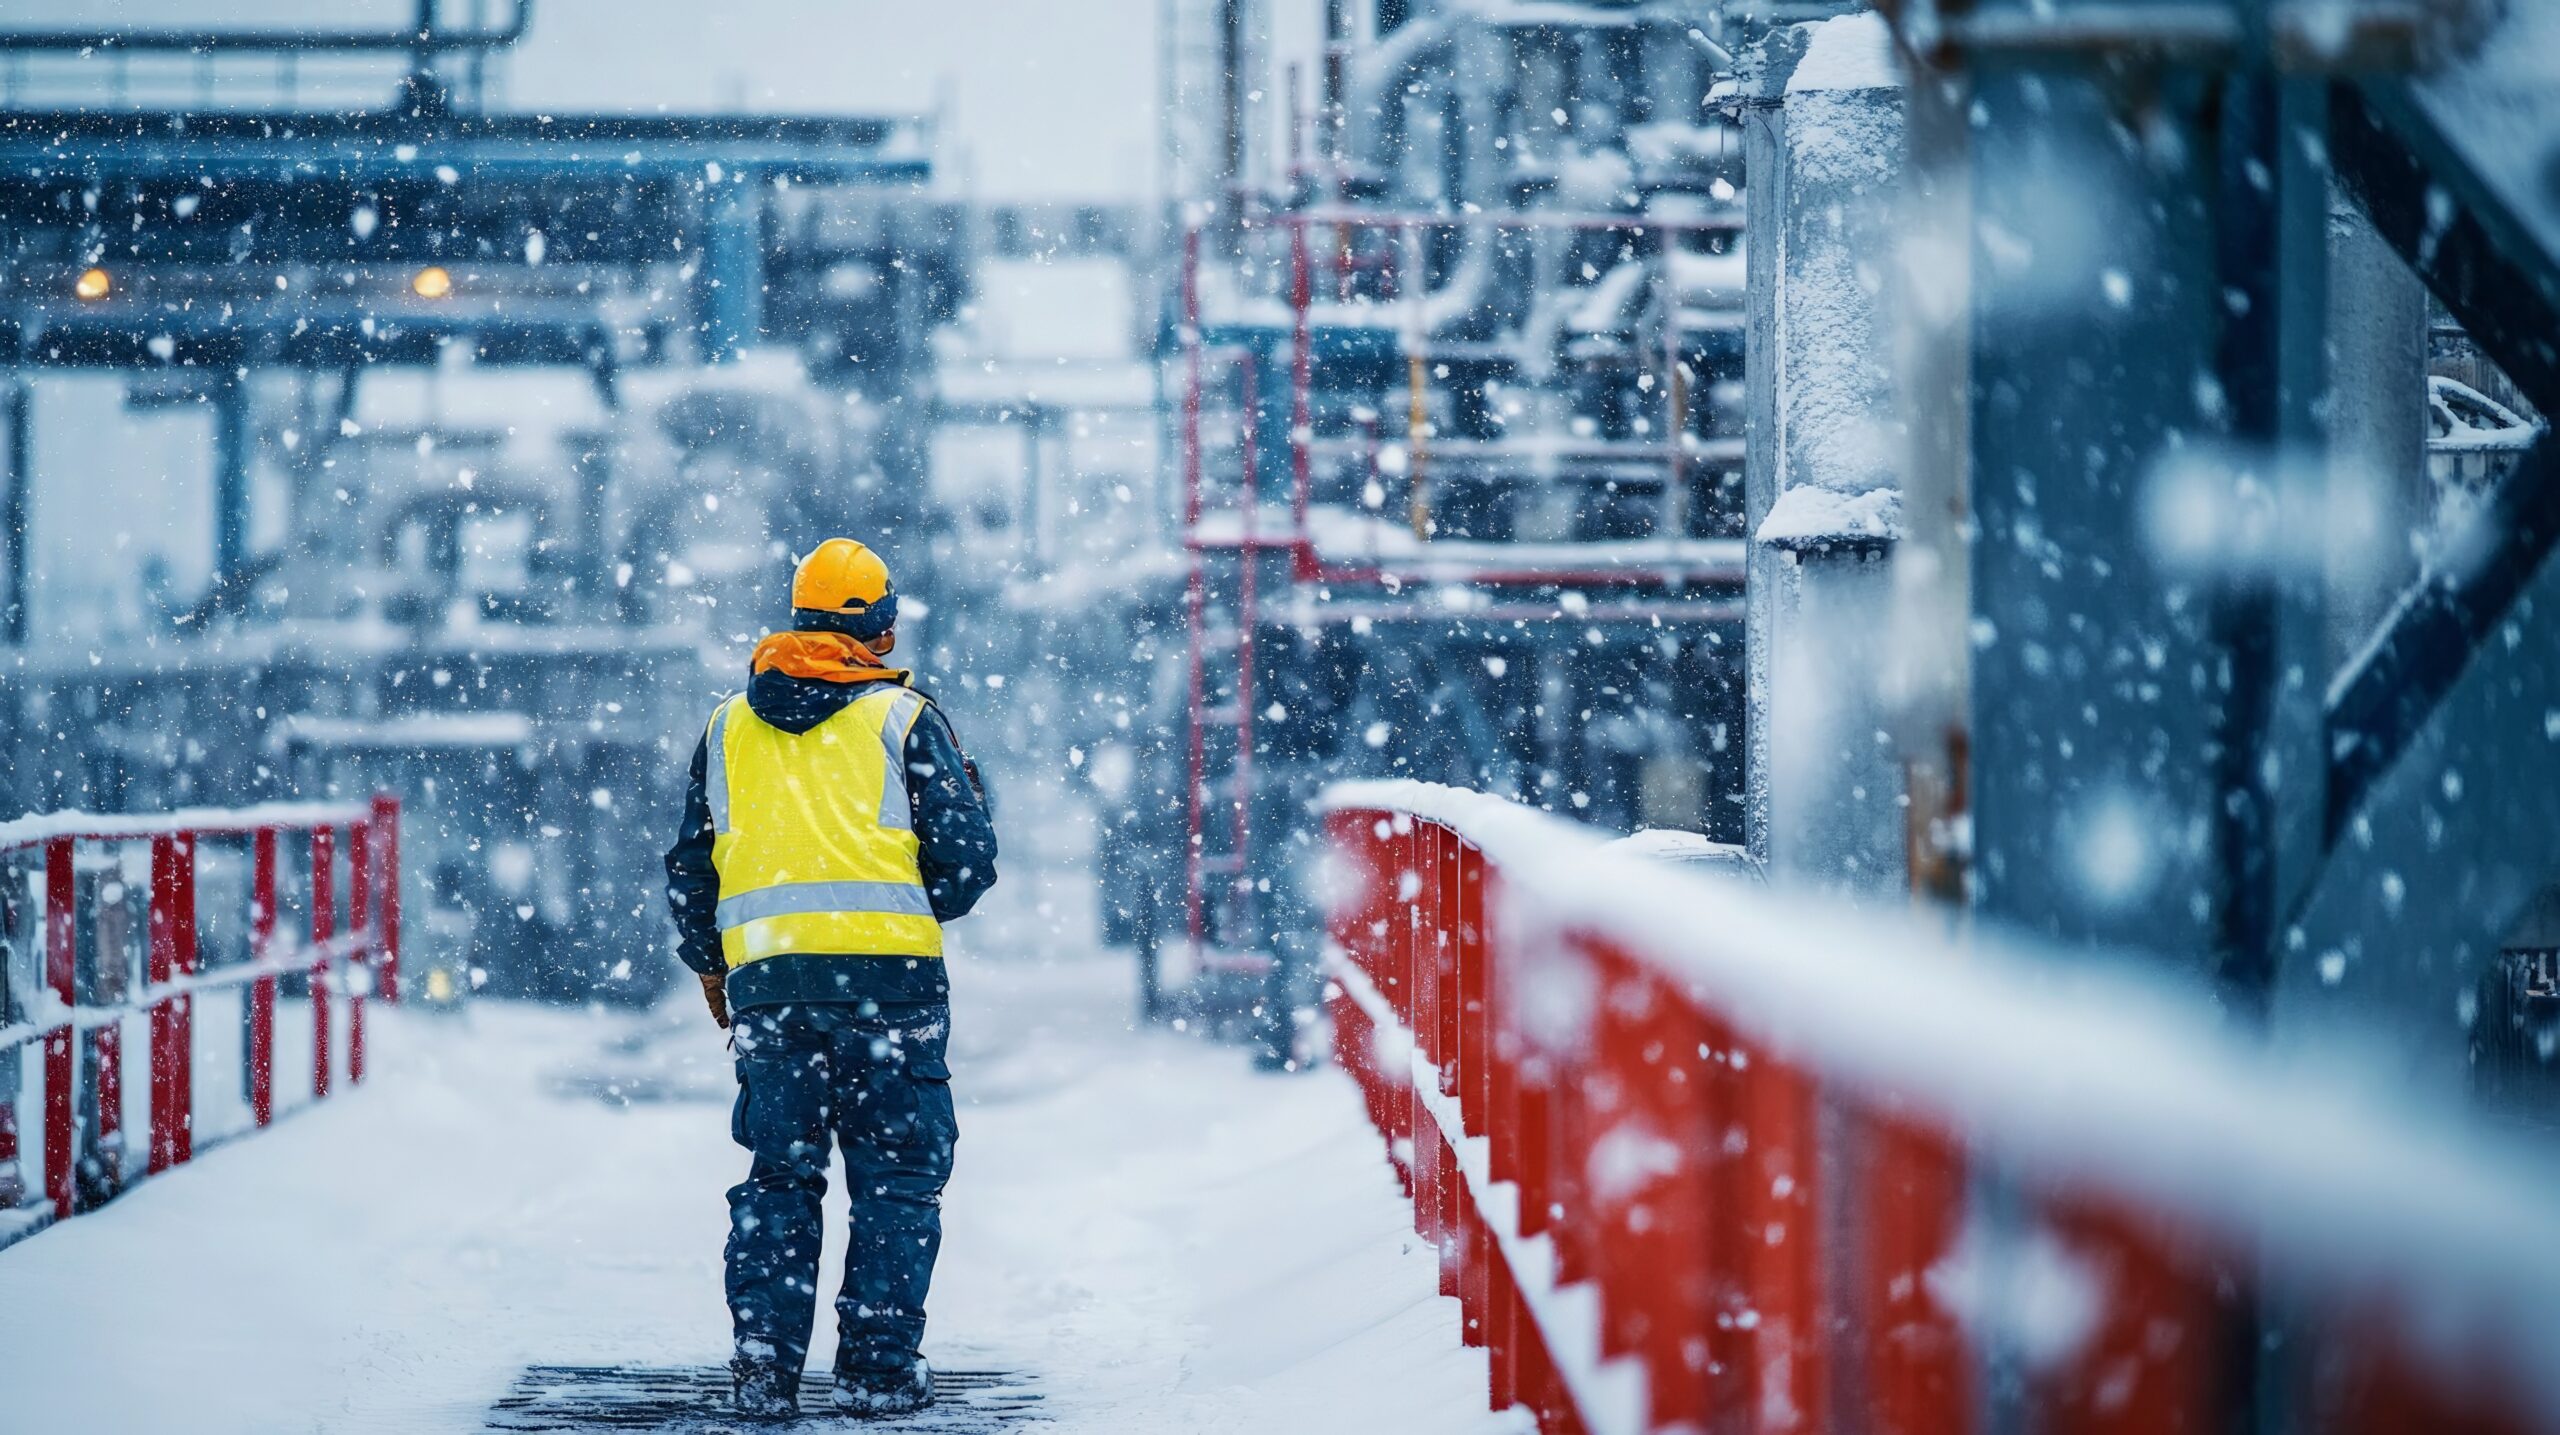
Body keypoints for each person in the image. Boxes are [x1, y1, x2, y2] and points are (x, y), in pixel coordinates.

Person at [664, 538, 999, 1421]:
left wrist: (713, 963)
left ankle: (766, 1371)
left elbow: (691, 868)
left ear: (797, 613)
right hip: (894, 991)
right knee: (895, 1177)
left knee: (780, 1173)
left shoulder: (726, 725)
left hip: (770, 990)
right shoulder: (906, 720)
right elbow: (966, 873)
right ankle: (878, 1371)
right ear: (881, 626)